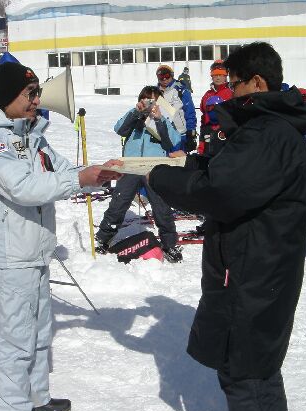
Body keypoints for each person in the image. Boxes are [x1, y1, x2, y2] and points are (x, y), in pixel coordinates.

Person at [148, 42, 306, 411]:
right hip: (257, 267)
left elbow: (223, 190)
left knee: (244, 369)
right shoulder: (267, 129)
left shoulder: (267, 132)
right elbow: (233, 171)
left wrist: (160, 178)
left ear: (257, 82)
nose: (228, 92)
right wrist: (189, 164)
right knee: (257, 363)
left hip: (252, 271)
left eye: (234, 84)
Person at [0, 62, 121, 411]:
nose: (37, 101)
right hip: (7, 255)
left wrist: (97, 173)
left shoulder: (31, 135)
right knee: (14, 335)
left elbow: (62, 171)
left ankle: (36, 395)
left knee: (37, 330)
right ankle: (13, 409)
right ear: (5, 97)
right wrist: (78, 178)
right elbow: (23, 187)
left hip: (34, 249)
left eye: (37, 93)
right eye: (29, 94)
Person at [95, 86, 183, 263]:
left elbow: (173, 140)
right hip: (131, 166)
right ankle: (103, 238)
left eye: (153, 100)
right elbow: (119, 128)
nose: (149, 104)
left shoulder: (163, 118)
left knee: (162, 208)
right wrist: (136, 112)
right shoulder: (135, 117)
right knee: (118, 203)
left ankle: (170, 244)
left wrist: (159, 119)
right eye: (146, 99)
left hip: (155, 168)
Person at [155, 65, 197, 153]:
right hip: (161, 135)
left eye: (167, 76)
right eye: (161, 77)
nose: (164, 79)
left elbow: (190, 112)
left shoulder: (181, 90)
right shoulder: (155, 92)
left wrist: (191, 132)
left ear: (171, 75)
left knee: (178, 159)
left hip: (180, 134)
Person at [197, 60, 232, 155]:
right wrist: (201, 144)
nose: (218, 78)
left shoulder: (231, 93)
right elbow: (204, 120)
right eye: (215, 75)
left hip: (225, 137)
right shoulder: (207, 95)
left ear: (226, 76)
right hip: (208, 134)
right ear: (211, 76)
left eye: (221, 75)